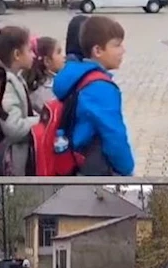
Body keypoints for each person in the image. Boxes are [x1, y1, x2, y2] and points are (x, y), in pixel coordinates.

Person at [52, 15, 134, 176]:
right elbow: (114, 135)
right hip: (95, 168)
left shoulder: (74, 75)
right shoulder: (100, 88)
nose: (122, 50)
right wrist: (127, 169)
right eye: (116, 45)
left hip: (73, 162)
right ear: (97, 50)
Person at [0, 26, 39, 175]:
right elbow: (13, 128)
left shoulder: (16, 77)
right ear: (17, 54)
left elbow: (25, 110)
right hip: (14, 161)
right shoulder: (5, 85)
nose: (34, 55)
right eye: (30, 50)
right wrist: (41, 121)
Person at [24, 36, 66, 113]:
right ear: (47, 61)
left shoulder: (57, 80)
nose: (63, 56)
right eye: (58, 52)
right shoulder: (44, 92)